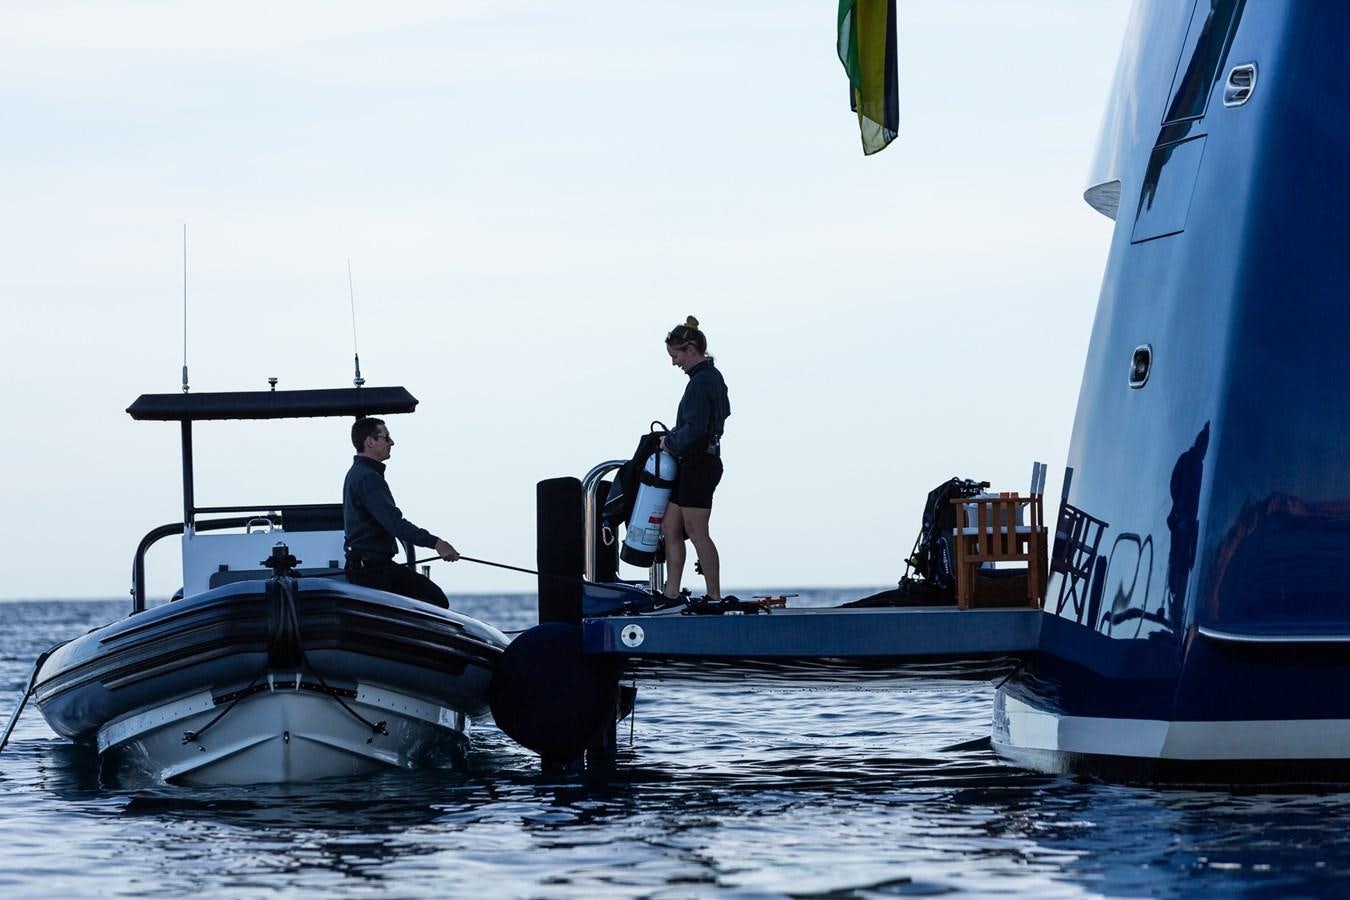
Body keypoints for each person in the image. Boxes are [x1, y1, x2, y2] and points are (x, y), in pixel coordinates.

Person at [343, 416, 459, 608]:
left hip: (367, 567)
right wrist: (437, 543)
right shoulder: (368, 478)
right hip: (374, 571)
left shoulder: (358, 473)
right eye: (386, 438)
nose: (392, 443)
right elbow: (396, 524)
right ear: (370, 442)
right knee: (435, 599)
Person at [659, 316, 732, 602]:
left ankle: (713, 595)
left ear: (690, 349)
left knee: (697, 530)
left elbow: (696, 431)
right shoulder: (708, 379)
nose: (675, 362)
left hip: (700, 464)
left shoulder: (703, 381)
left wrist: (670, 442)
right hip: (693, 462)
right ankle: (671, 593)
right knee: (670, 526)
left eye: (676, 355)